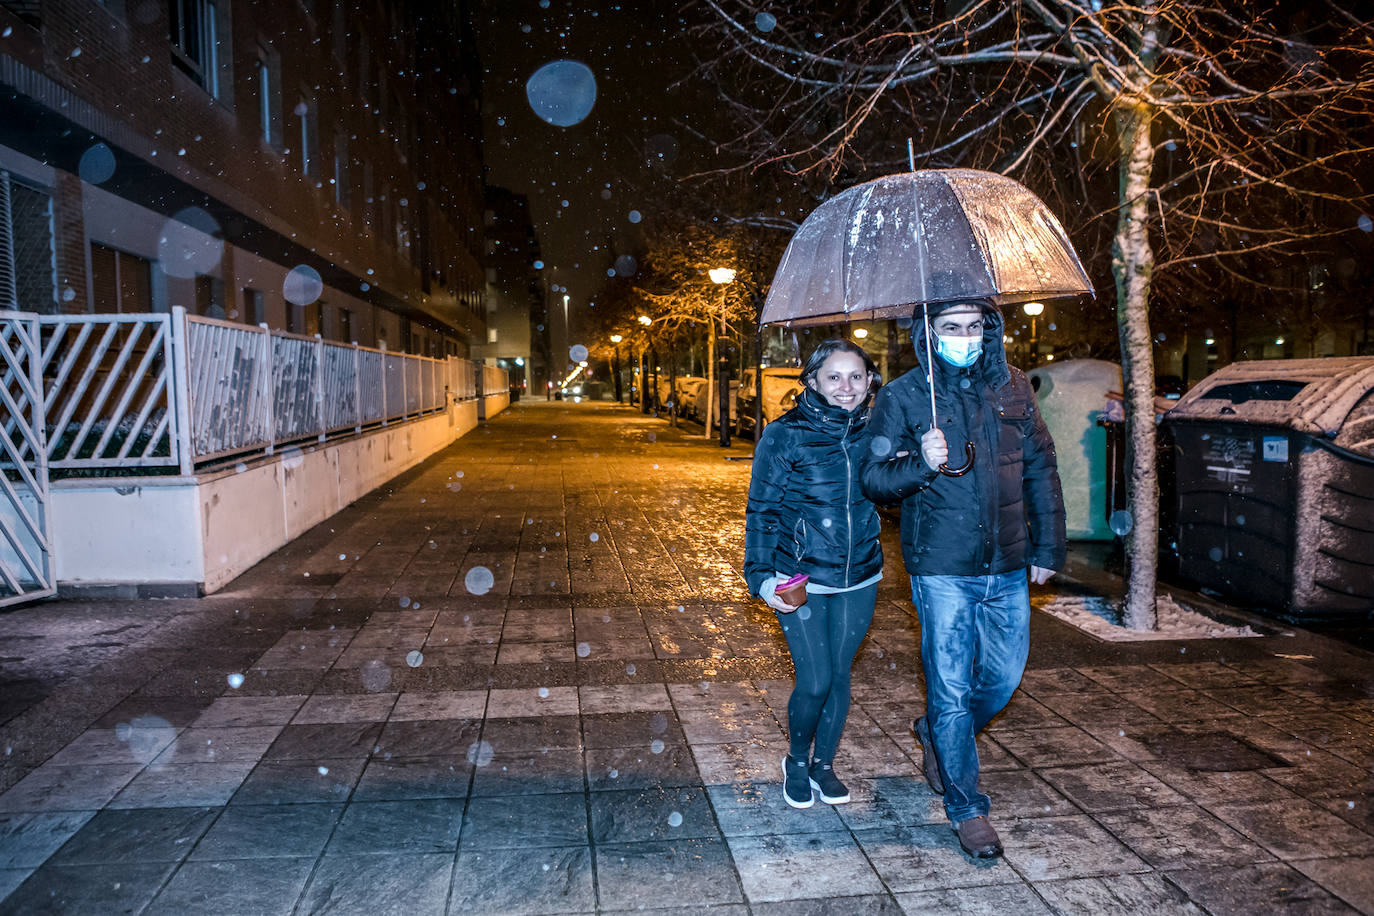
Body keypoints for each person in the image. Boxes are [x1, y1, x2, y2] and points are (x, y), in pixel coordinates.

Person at [861, 300, 1065, 858]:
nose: (965, 336)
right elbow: (875, 479)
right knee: (950, 687)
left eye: (975, 326)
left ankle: (937, 735)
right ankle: (966, 807)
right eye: (950, 327)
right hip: (943, 565)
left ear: (990, 330)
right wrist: (920, 463)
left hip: (1007, 562)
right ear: (928, 333)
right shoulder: (905, 396)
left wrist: (1047, 546)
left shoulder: (1015, 388)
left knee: (1002, 677)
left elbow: (1042, 467)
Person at [744, 339, 884, 810]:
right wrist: (761, 577)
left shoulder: (879, 431)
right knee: (816, 681)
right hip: (800, 577)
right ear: (813, 382)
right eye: (834, 377)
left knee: (841, 677)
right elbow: (761, 509)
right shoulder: (785, 435)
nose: (846, 387)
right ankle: (798, 762)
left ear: (870, 381)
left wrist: (925, 459)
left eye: (856, 377)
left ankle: (825, 764)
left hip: (861, 575)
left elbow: (895, 489)